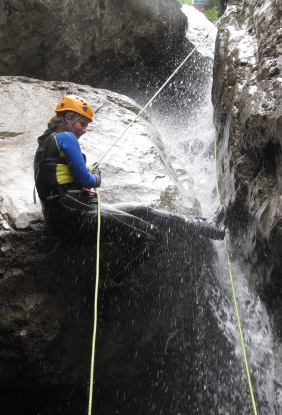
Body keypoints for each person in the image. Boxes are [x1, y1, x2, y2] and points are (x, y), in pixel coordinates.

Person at [33, 94, 226, 289]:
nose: (84, 130)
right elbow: (86, 180)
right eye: (82, 124)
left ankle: (201, 225)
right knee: (152, 236)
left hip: (65, 219)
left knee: (140, 209)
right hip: (78, 217)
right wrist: (96, 177)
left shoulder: (45, 144)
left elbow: (63, 180)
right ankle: (110, 281)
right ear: (68, 118)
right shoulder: (65, 137)